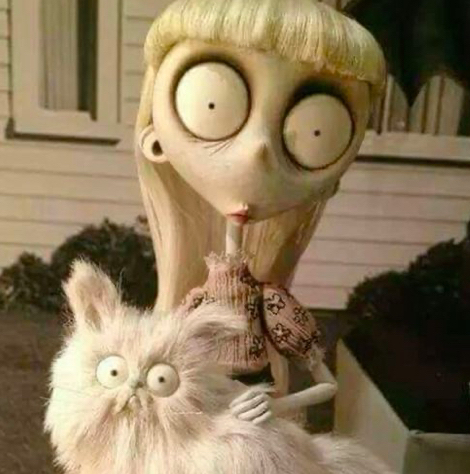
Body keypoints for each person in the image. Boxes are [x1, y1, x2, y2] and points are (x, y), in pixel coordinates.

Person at [135, 0, 386, 422]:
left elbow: (326, 383)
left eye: (317, 131)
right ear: (154, 140)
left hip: (251, 421)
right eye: (212, 103)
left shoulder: (269, 304)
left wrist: (276, 404)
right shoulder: (193, 304)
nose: (258, 149)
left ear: (330, 185)